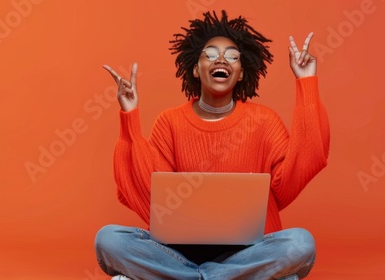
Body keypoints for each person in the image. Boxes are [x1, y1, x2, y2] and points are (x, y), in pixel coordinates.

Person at [95, 10, 330, 280]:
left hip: (250, 252)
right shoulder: (170, 121)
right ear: (196, 68)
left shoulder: (264, 120)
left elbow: (297, 172)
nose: (221, 59)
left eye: (232, 55)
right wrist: (130, 116)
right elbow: (149, 198)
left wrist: (306, 81)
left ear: (241, 73)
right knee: (109, 240)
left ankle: (184, 277)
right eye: (210, 54)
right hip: (178, 253)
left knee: (300, 244)